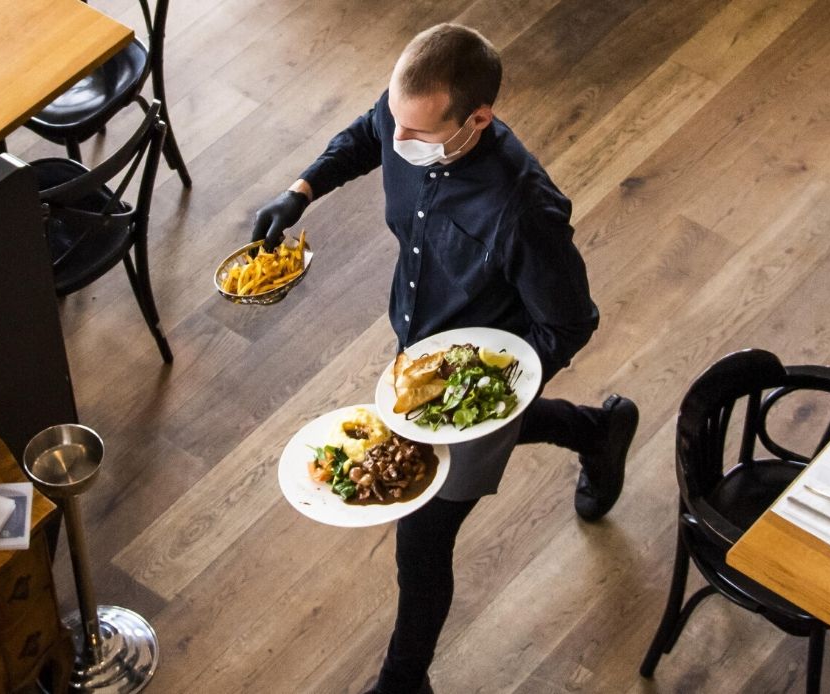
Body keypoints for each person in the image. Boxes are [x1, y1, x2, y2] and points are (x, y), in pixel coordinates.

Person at [249, 24, 638, 693]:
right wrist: (302, 189)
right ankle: (596, 431)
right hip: (418, 347)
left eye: (416, 133)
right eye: (397, 120)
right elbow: (370, 133)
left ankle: (404, 683)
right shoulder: (410, 116)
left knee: (422, 540)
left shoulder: (522, 211)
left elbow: (571, 322)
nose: (399, 141)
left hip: (480, 368)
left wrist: (485, 400)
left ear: (477, 118)